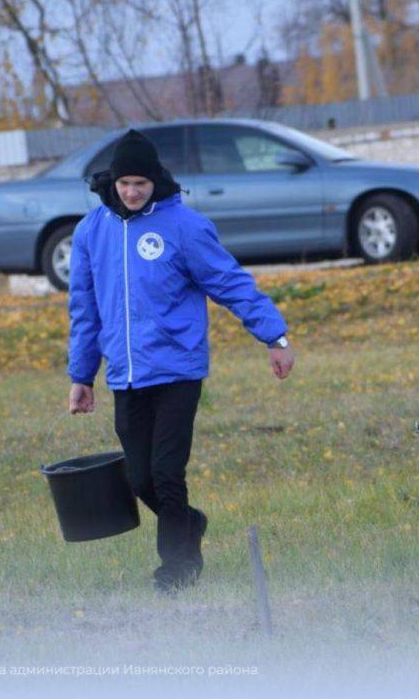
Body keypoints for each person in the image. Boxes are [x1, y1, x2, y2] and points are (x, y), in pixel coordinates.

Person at [66, 129, 295, 593]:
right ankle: (190, 521)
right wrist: (81, 374)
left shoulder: (184, 227)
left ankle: (178, 565)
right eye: (125, 183)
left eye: (141, 184)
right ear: (112, 181)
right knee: (138, 477)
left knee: (167, 473)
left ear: (156, 182)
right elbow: (84, 308)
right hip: (126, 375)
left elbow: (229, 282)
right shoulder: (92, 231)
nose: (132, 192)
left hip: (177, 370)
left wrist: (274, 335)